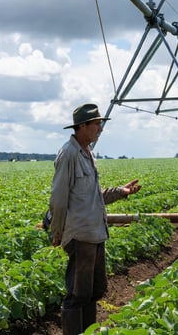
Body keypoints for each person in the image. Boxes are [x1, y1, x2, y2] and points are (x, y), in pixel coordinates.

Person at [49, 103, 141, 335]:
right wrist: (57, 234)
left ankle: (88, 332)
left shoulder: (87, 153)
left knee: (94, 291)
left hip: (96, 233)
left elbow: (92, 197)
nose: (100, 128)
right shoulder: (69, 154)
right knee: (77, 295)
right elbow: (59, 200)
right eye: (97, 124)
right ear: (82, 126)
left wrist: (121, 191)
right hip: (80, 235)